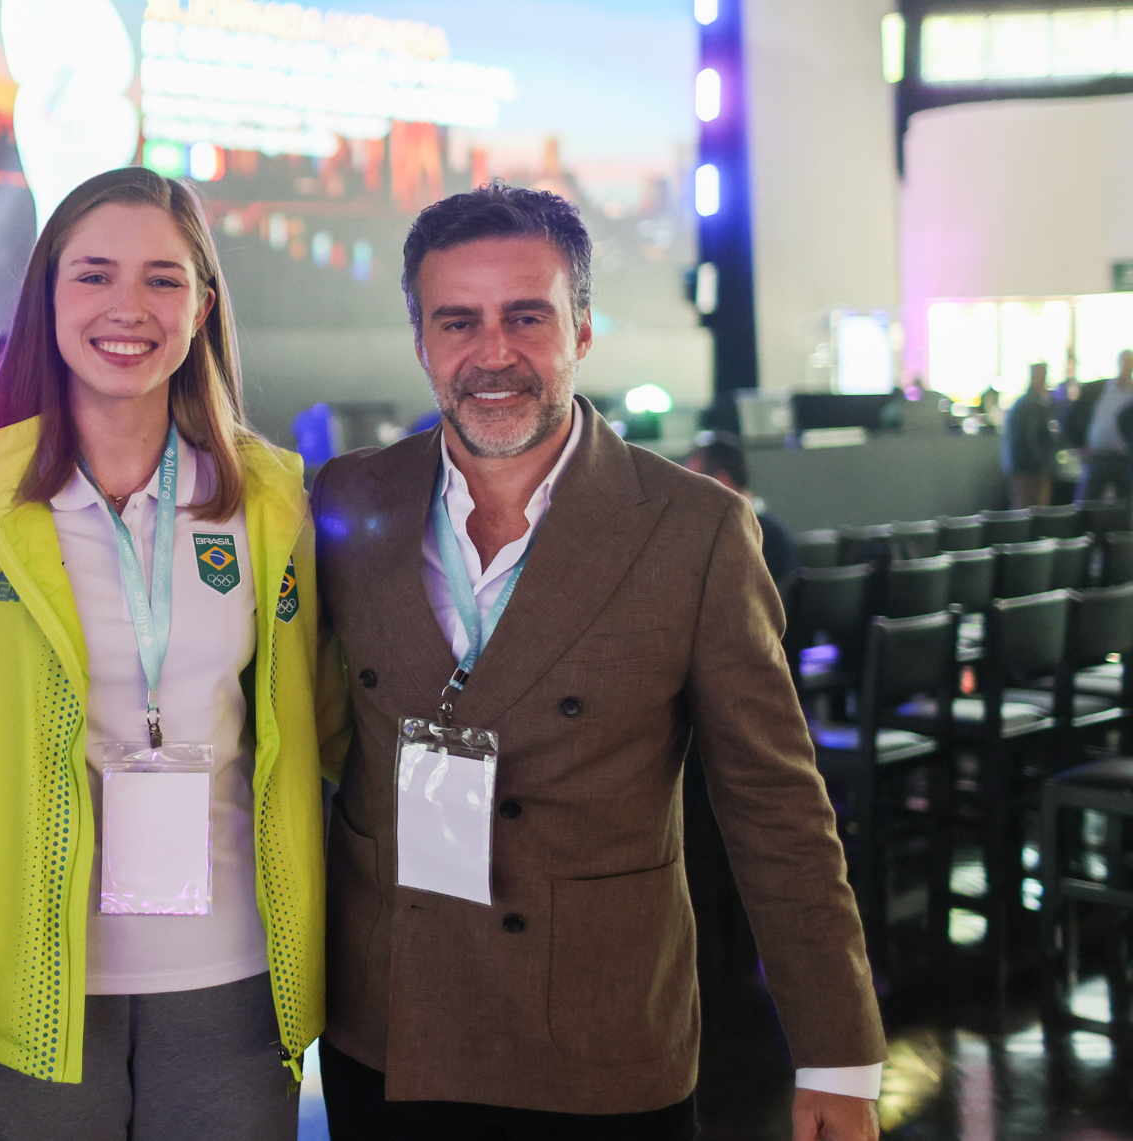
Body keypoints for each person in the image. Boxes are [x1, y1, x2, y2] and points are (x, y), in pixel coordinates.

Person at [313, 186, 883, 1141]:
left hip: (597, 1040)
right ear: (421, 341)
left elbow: (776, 802)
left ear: (581, 327)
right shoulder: (348, 499)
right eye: (458, 321)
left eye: (526, 316)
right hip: (390, 1025)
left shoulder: (694, 530)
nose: (493, 352)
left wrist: (836, 1052)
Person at [0, 167, 337, 1140]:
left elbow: (316, 719)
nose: (128, 307)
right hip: (22, 980)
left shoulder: (270, 500)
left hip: (233, 978)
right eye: (93, 275)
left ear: (201, 306)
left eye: (163, 279)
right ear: (46, 297)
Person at [685, 435, 797, 588]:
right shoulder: (772, 530)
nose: (686, 494)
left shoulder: (756, 535)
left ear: (720, 482)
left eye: (692, 483)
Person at [1003, 363, 1056, 510]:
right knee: (1031, 512)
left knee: (1024, 511)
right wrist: (1042, 464)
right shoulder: (1031, 405)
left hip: (1024, 467)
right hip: (1030, 470)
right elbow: (1029, 439)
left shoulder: (1026, 404)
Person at [1081, 350, 1133, 502]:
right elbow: (1083, 416)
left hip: (1122, 456)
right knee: (1088, 501)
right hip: (1098, 454)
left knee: (1124, 502)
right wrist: (1083, 444)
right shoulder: (1102, 388)